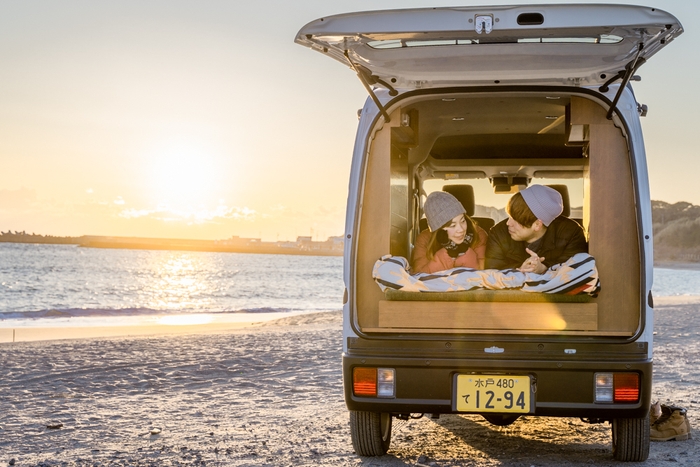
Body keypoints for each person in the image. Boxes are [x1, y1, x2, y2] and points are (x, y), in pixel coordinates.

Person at [485, 184, 587, 272]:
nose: (508, 223)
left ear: (537, 224)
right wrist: (519, 269)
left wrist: (544, 268)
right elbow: (492, 272)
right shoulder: (498, 233)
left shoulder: (571, 234)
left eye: (516, 219)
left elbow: (575, 271)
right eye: (510, 216)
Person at [412, 191, 488, 273]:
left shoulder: (478, 234)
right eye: (453, 225)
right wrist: (447, 256)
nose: (461, 229)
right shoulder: (424, 239)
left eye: (462, 221)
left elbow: (482, 272)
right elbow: (420, 274)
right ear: (439, 229)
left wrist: (465, 253)